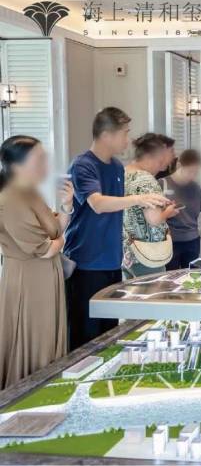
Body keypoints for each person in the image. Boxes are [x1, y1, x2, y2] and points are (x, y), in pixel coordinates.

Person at [65, 107, 169, 350]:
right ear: (106, 135)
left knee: (109, 333)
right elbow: (98, 204)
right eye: (124, 133)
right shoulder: (83, 165)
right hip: (87, 262)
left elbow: (116, 209)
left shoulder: (116, 166)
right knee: (85, 336)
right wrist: (138, 199)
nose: (128, 139)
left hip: (112, 262)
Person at [0, 136, 71, 388]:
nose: (45, 164)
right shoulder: (10, 199)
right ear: (18, 164)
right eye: (39, 159)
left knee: (47, 332)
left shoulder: (30, 194)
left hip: (44, 274)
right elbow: (46, 248)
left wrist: (66, 206)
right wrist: (58, 241)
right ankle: (26, 391)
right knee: (35, 334)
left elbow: (55, 232)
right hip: (28, 279)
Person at [123, 134, 179, 279]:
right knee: (153, 290)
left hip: (128, 252)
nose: (162, 165)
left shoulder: (124, 173)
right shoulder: (146, 179)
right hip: (148, 254)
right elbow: (153, 219)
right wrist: (168, 212)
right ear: (152, 157)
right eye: (160, 160)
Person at [160, 149, 201, 270]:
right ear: (179, 165)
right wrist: (166, 212)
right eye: (190, 171)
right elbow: (152, 218)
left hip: (192, 242)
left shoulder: (196, 188)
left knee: (193, 277)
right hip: (170, 242)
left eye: (196, 172)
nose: (192, 176)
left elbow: (198, 214)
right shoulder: (161, 185)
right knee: (170, 278)